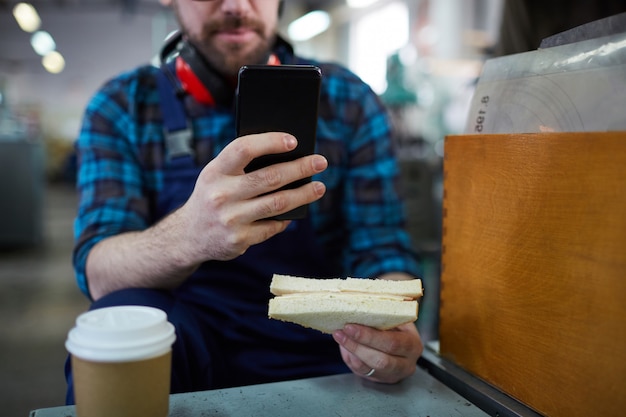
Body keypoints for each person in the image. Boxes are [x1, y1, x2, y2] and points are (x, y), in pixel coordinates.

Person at [65, 0, 423, 403]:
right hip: (186, 349)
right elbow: (99, 273)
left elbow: (381, 247)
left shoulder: (349, 100)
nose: (237, 5)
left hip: (328, 353)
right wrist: (187, 235)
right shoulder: (123, 107)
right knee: (120, 320)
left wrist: (392, 327)